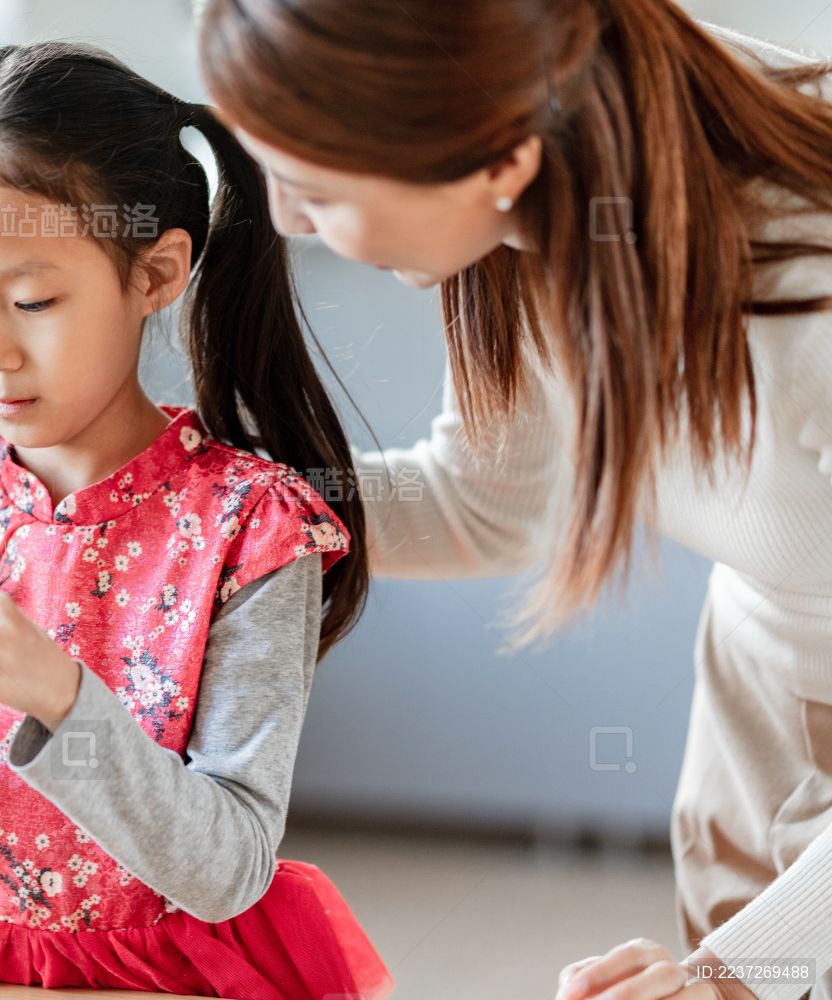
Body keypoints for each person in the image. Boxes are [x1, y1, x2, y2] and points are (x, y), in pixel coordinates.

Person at [198, 0, 832, 998]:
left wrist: (732, 972)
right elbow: (486, 504)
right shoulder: (533, 207)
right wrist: (213, 491)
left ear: (495, 157)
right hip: (763, 723)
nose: (283, 218)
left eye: (313, 184)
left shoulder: (813, 299)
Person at [0, 43, 392, 1000]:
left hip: (157, 972)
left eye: (33, 300)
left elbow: (227, 868)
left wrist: (61, 695)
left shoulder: (250, 532)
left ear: (156, 273)